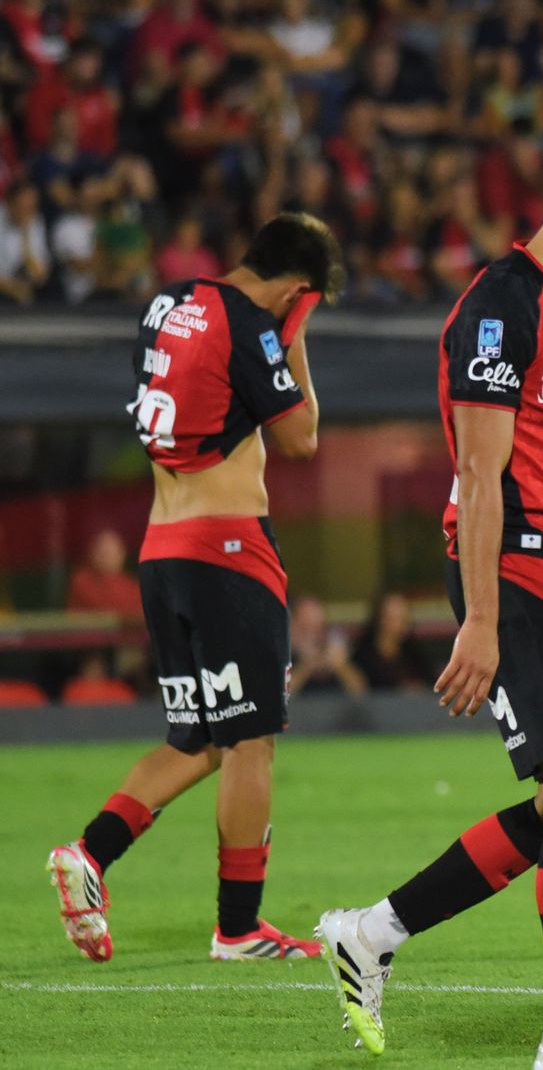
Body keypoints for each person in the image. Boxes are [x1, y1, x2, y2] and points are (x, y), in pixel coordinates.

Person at [316, 137, 543, 1070]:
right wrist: (477, 617)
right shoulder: (497, 307)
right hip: (512, 568)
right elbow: (479, 475)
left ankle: (372, 930)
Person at [47, 212, 341, 964]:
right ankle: (238, 926)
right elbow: (302, 438)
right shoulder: (252, 326)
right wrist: (295, 338)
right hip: (229, 546)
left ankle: (90, 852)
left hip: (164, 546)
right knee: (251, 740)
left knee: (200, 737)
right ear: (298, 290)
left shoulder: (168, 302)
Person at [288, 595, 371, 698]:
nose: (314, 635)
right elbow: (283, 695)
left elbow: (362, 691)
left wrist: (341, 666)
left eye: (319, 628)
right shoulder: (285, 657)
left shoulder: (337, 653)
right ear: (293, 627)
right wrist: (307, 666)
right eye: (306, 627)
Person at [351, 590, 433, 692]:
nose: (402, 625)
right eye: (395, 619)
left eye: (405, 619)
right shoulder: (362, 656)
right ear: (381, 619)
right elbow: (363, 691)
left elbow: (430, 685)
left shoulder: (413, 654)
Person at [65, 529, 144, 622]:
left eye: (111, 551)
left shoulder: (134, 587)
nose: (106, 555)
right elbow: (104, 610)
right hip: (87, 634)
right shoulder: (81, 581)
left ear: (122, 555)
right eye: (102, 550)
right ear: (91, 554)